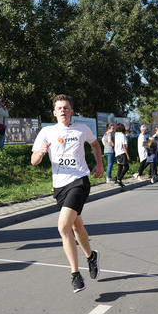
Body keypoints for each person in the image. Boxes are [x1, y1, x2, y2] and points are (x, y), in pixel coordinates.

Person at [31, 94, 103, 293]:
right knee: (76, 225)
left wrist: (99, 164)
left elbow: (95, 144)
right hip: (59, 186)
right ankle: (91, 256)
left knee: (63, 227)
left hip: (79, 181)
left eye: (66, 107)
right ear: (54, 112)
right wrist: (41, 153)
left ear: (71, 111)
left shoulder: (82, 129)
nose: (63, 110)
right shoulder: (47, 132)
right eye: (59, 108)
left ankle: (75, 274)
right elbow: (34, 161)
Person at [114, 123, 130, 188]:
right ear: (122, 128)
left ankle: (118, 180)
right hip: (122, 153)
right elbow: (124, 146)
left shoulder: (116, 134)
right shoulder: (123, 135)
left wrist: (128, 130)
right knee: (126, 167)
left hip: (117, 153)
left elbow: (127, 131)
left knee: (120, 166)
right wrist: (127, 155)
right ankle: (119, 179)